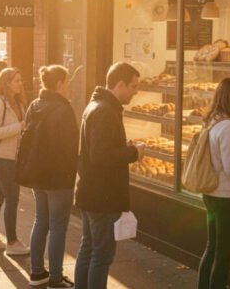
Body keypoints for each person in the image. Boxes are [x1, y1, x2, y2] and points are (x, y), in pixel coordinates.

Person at [74, 62, 145, 289]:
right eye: (133, 86)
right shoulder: (105, 111)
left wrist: (122, 147)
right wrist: (133, 152)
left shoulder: (97, 105)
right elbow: (101, 155)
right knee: (101, 255)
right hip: (102, 196)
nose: (135, 92)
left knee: (88, 248)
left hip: (90, 192)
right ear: (120, 84)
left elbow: (99, 150)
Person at [24, 65, 79, 288]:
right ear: (59, 85)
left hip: (38, 174)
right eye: (67, 82)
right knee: (58, 226)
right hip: (59, 176)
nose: (69, 86)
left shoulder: (34, 105)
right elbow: (71, 146)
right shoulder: (64, 109)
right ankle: (56, 276)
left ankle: (37, 272)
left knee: (41, 221)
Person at [198, 78, 230, 289]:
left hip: (212, 194)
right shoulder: (228, 126)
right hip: (227, 197)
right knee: (224, 255)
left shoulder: (214, 121)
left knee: (212, 248)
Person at [0, 67, 30, 256]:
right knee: (12, 198)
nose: (21, 83)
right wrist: (19, 127)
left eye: (21, 80)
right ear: (7, 83)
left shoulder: (17, 102)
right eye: (17, 80)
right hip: (1, 157)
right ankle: (12, 242)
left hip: (10, 156)